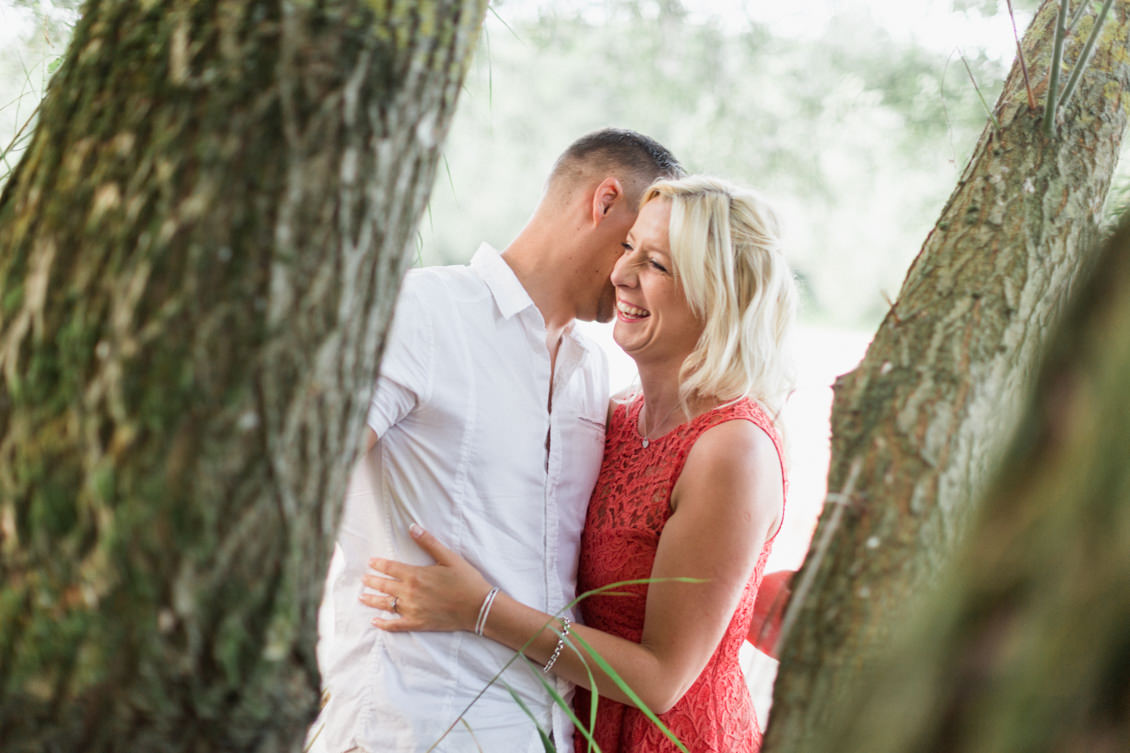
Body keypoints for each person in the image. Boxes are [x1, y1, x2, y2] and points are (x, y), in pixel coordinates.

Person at [360, 175, 797, 753]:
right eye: (627, 248)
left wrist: (480, 609)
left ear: (720, 293)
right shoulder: (614, 417)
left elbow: (663, 681)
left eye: (657, 264)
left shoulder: (731, 449)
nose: (621, 274)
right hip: (576, 729)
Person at [309, 129, 682, 753]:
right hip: (412, 729)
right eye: (635, 249)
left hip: (543, 733)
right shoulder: (421, 313)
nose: (632, 277)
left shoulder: (591, 369)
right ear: (605, 200)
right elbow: (298, 485)